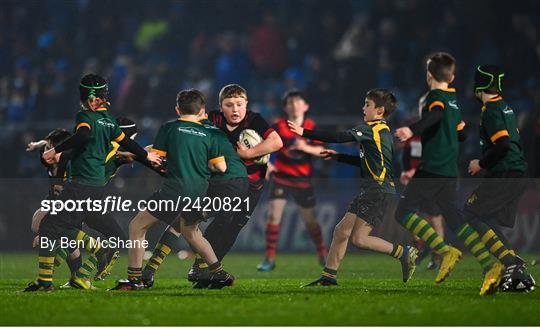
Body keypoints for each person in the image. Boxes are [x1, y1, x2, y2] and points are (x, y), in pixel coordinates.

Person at [24, 74, 161, 291]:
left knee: (51, 226)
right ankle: (75, 276)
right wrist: (148, 157)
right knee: (63, 229)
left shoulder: (85, 117)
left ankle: (54, 277)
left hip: (82, 185)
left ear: (85, 97)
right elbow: (127, 144)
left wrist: (53, 151)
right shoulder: (110, 122)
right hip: (95, 189)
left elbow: (82, 137)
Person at [394, 53, 504, 295]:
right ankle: (490, 264)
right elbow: (462, 134)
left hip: (432, 168)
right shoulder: (454, 101)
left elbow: (436, 115)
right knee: (455, 219)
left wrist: (411, 129)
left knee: (403, 213)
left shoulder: (435, 97)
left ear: (429, 75)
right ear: (452, 77)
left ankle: (445, 250)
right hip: (449, 170)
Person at [289, 89, 418, 286]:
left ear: (380, 110)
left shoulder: (372, 129)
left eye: (367, 104)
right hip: (372, 190)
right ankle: (328, 277)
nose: (363, 108)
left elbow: (340, 136)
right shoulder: (380, 132)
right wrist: (338, 157)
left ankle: (404, 252)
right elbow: (366, 162)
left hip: (377, 191)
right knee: (341, 231)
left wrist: (305, 132)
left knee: (359, 239)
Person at [111, 89, 234, 291]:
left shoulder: (170, 128)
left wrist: (128, 155)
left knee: (137, 226)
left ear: (177, 109)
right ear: (202, 110)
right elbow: (220, 167)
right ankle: (219, 273)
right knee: (192, 232)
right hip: (199, 192)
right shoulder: (209, 134)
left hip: (174, 190)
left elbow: (156, 156)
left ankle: (135, 279)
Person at [185, 84, 283, 282]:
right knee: (222, 218)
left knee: (234, 225)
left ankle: (209, 269)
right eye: (229, 105)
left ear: (246, 104)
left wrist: (247, 153)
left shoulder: (254, 120)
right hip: (221, 182)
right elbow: (188, 130)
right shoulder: (212, 119)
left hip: (252, 185)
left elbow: (276, 142)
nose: (235, 109)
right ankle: (203, 266)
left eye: (239, 104)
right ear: (221, 107)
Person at [465, 64, 535, 292]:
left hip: (505, 173)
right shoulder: (505, 106)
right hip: (517, 172)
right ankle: (519, 277)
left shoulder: (492, 111)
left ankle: (512, 264)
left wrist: (481, 163)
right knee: (488, 220)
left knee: (471, 212)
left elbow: (503, 144)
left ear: (480, 85)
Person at [257, 90, 327, 271]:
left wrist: (306, 147)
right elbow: (264, 147)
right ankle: (269, 259)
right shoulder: (278, 127)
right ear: (286, 107)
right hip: (281, 178)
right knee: (273, 216)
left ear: (305, 106)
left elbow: (323, 152)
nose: (294, 105)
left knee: (310, 220)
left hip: (303, 180)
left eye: (298, 102)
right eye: (290, 102)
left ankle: (322, 253)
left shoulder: (311, 127)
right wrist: (267, 164)